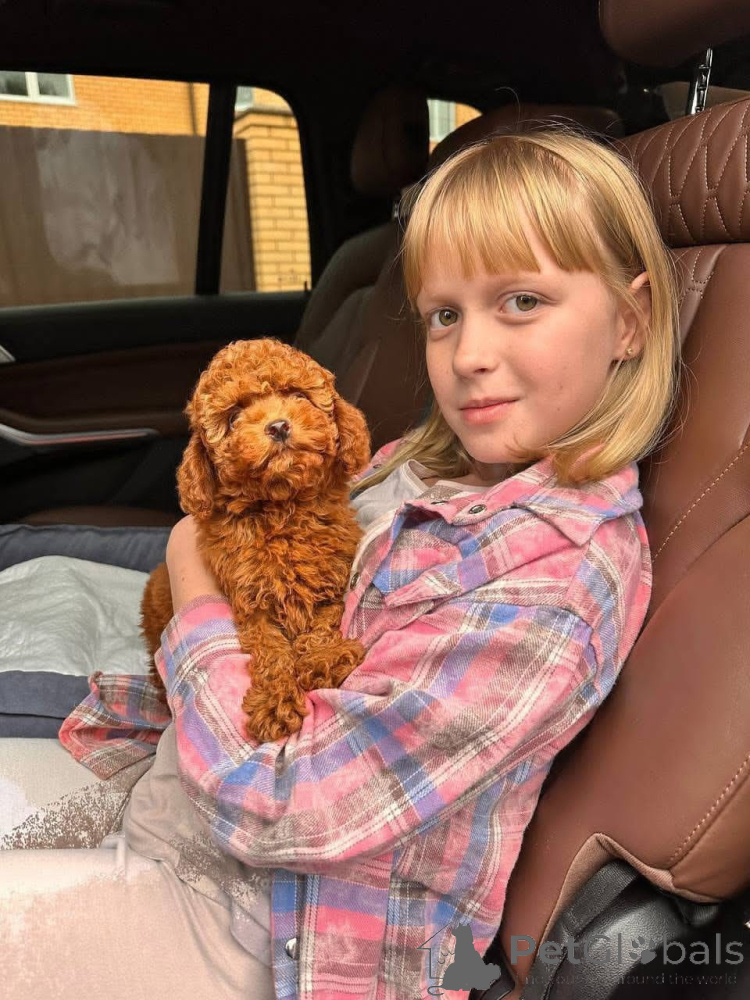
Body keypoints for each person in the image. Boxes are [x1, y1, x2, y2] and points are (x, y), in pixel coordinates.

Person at [0, 125, 682, 1000]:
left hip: (260, 928)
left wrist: (194, 583)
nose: (468, 355)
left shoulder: (553, 584)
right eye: (444, 316)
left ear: (629, 322)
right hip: (179, 799)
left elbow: (286, 801)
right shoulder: (419, 470)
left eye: (522, 301)